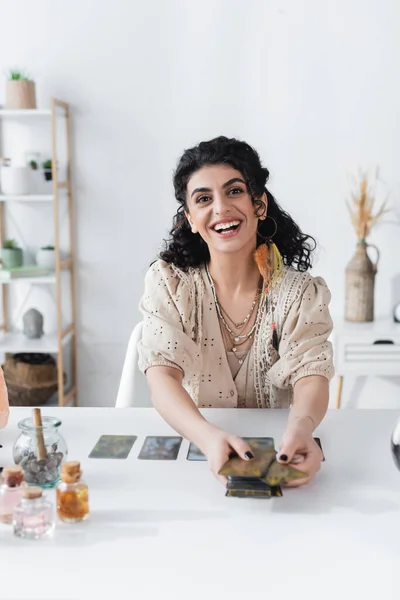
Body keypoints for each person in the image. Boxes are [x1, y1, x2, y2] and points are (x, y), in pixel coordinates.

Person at [138, 136, 334, 486]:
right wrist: (207, 436)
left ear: (259, 204)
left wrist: (302, 427)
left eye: (234, 191)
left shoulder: (300, 292)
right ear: (191, 219)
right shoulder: (169, 283)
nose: (221, 208)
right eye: (203, 199)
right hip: (195, 455)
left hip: (281, 450)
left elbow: (311, 373)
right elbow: (161, 377)